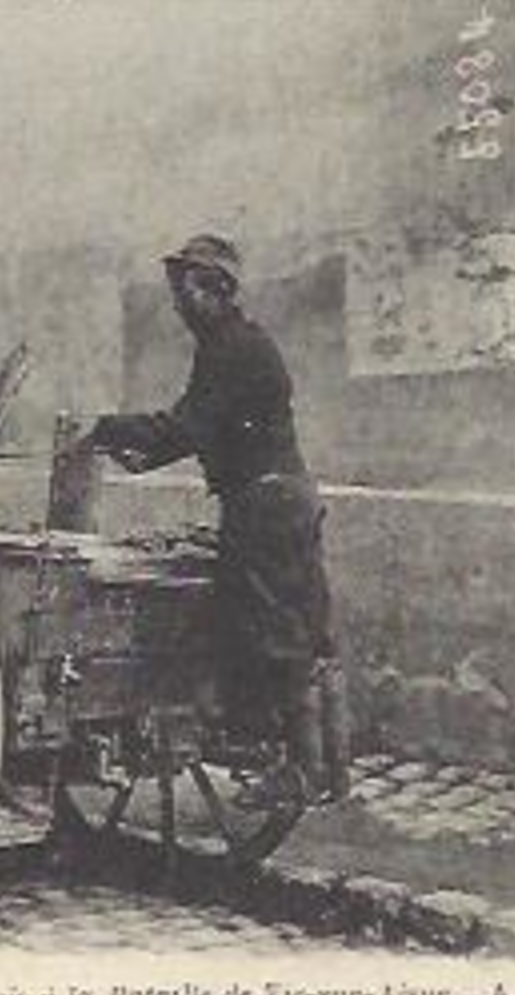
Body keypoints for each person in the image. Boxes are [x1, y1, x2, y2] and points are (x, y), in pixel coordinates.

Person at [84, 234, 350, 809]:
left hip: (265, 507)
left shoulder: (231, 349)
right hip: (281, 498)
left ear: (217, 290)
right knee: (299, 626)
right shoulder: (235, 345)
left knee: (275, 632)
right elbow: (200, 427)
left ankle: (299, 770)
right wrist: (143, 452)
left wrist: (107, 428)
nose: (179, 305)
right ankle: (324, 766)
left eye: (186, 291)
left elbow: (187, 426)